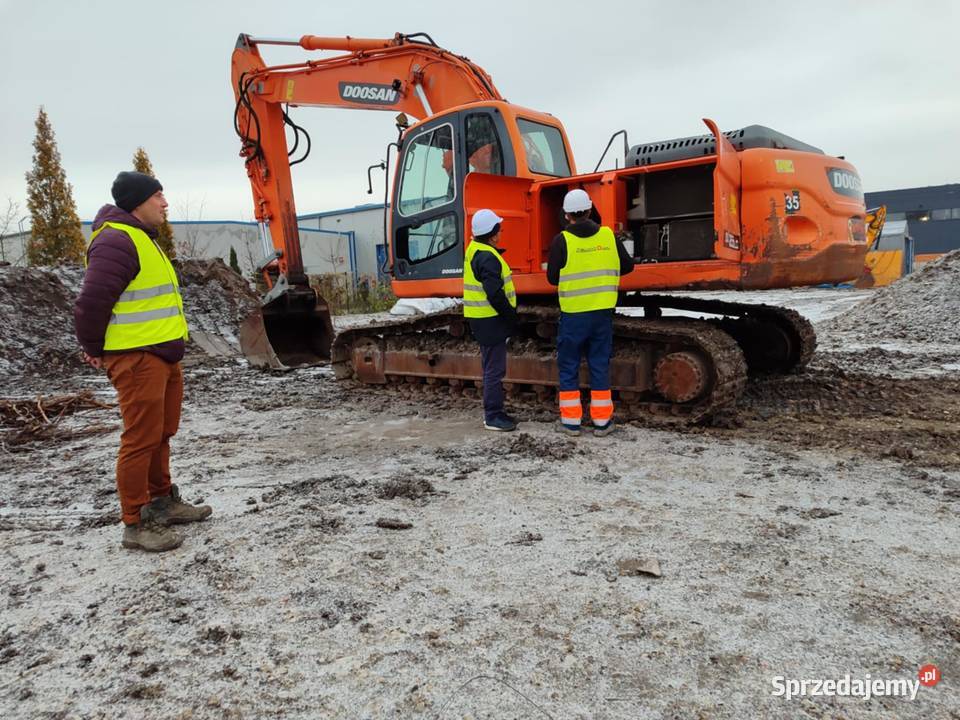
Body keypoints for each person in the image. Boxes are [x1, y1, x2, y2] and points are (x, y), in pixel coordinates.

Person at [74, 171, 212, 552]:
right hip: (137, 358)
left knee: (161, 433)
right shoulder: (117, 241)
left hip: (162, 356)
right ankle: (136, 522)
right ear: (137, 202)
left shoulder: (141, 239)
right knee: (140, 439)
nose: (165, 204)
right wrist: (93, 346)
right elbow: (91, 302)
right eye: (158, 197)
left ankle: (162, 501)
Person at [546, 189, 635, 437]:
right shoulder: (608, 236)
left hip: (574, 315)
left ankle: (571, 422)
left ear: (567, 215)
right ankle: (602, 422)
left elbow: (553, 277)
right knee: (599, 364)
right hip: (601, 315)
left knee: (569, 366)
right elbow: (627, 266)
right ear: (589, 209)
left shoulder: (561, 240)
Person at [462, 209, 519, 432]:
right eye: (499, 230)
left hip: (482, 319)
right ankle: (493, 416)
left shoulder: (476, 250)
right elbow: (495, 294)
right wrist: (511, 317)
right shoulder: (487, 257)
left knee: (490, 368)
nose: (501, 233)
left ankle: (495, 412)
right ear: (493, 235)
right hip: (490, 320)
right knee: (494, 370)